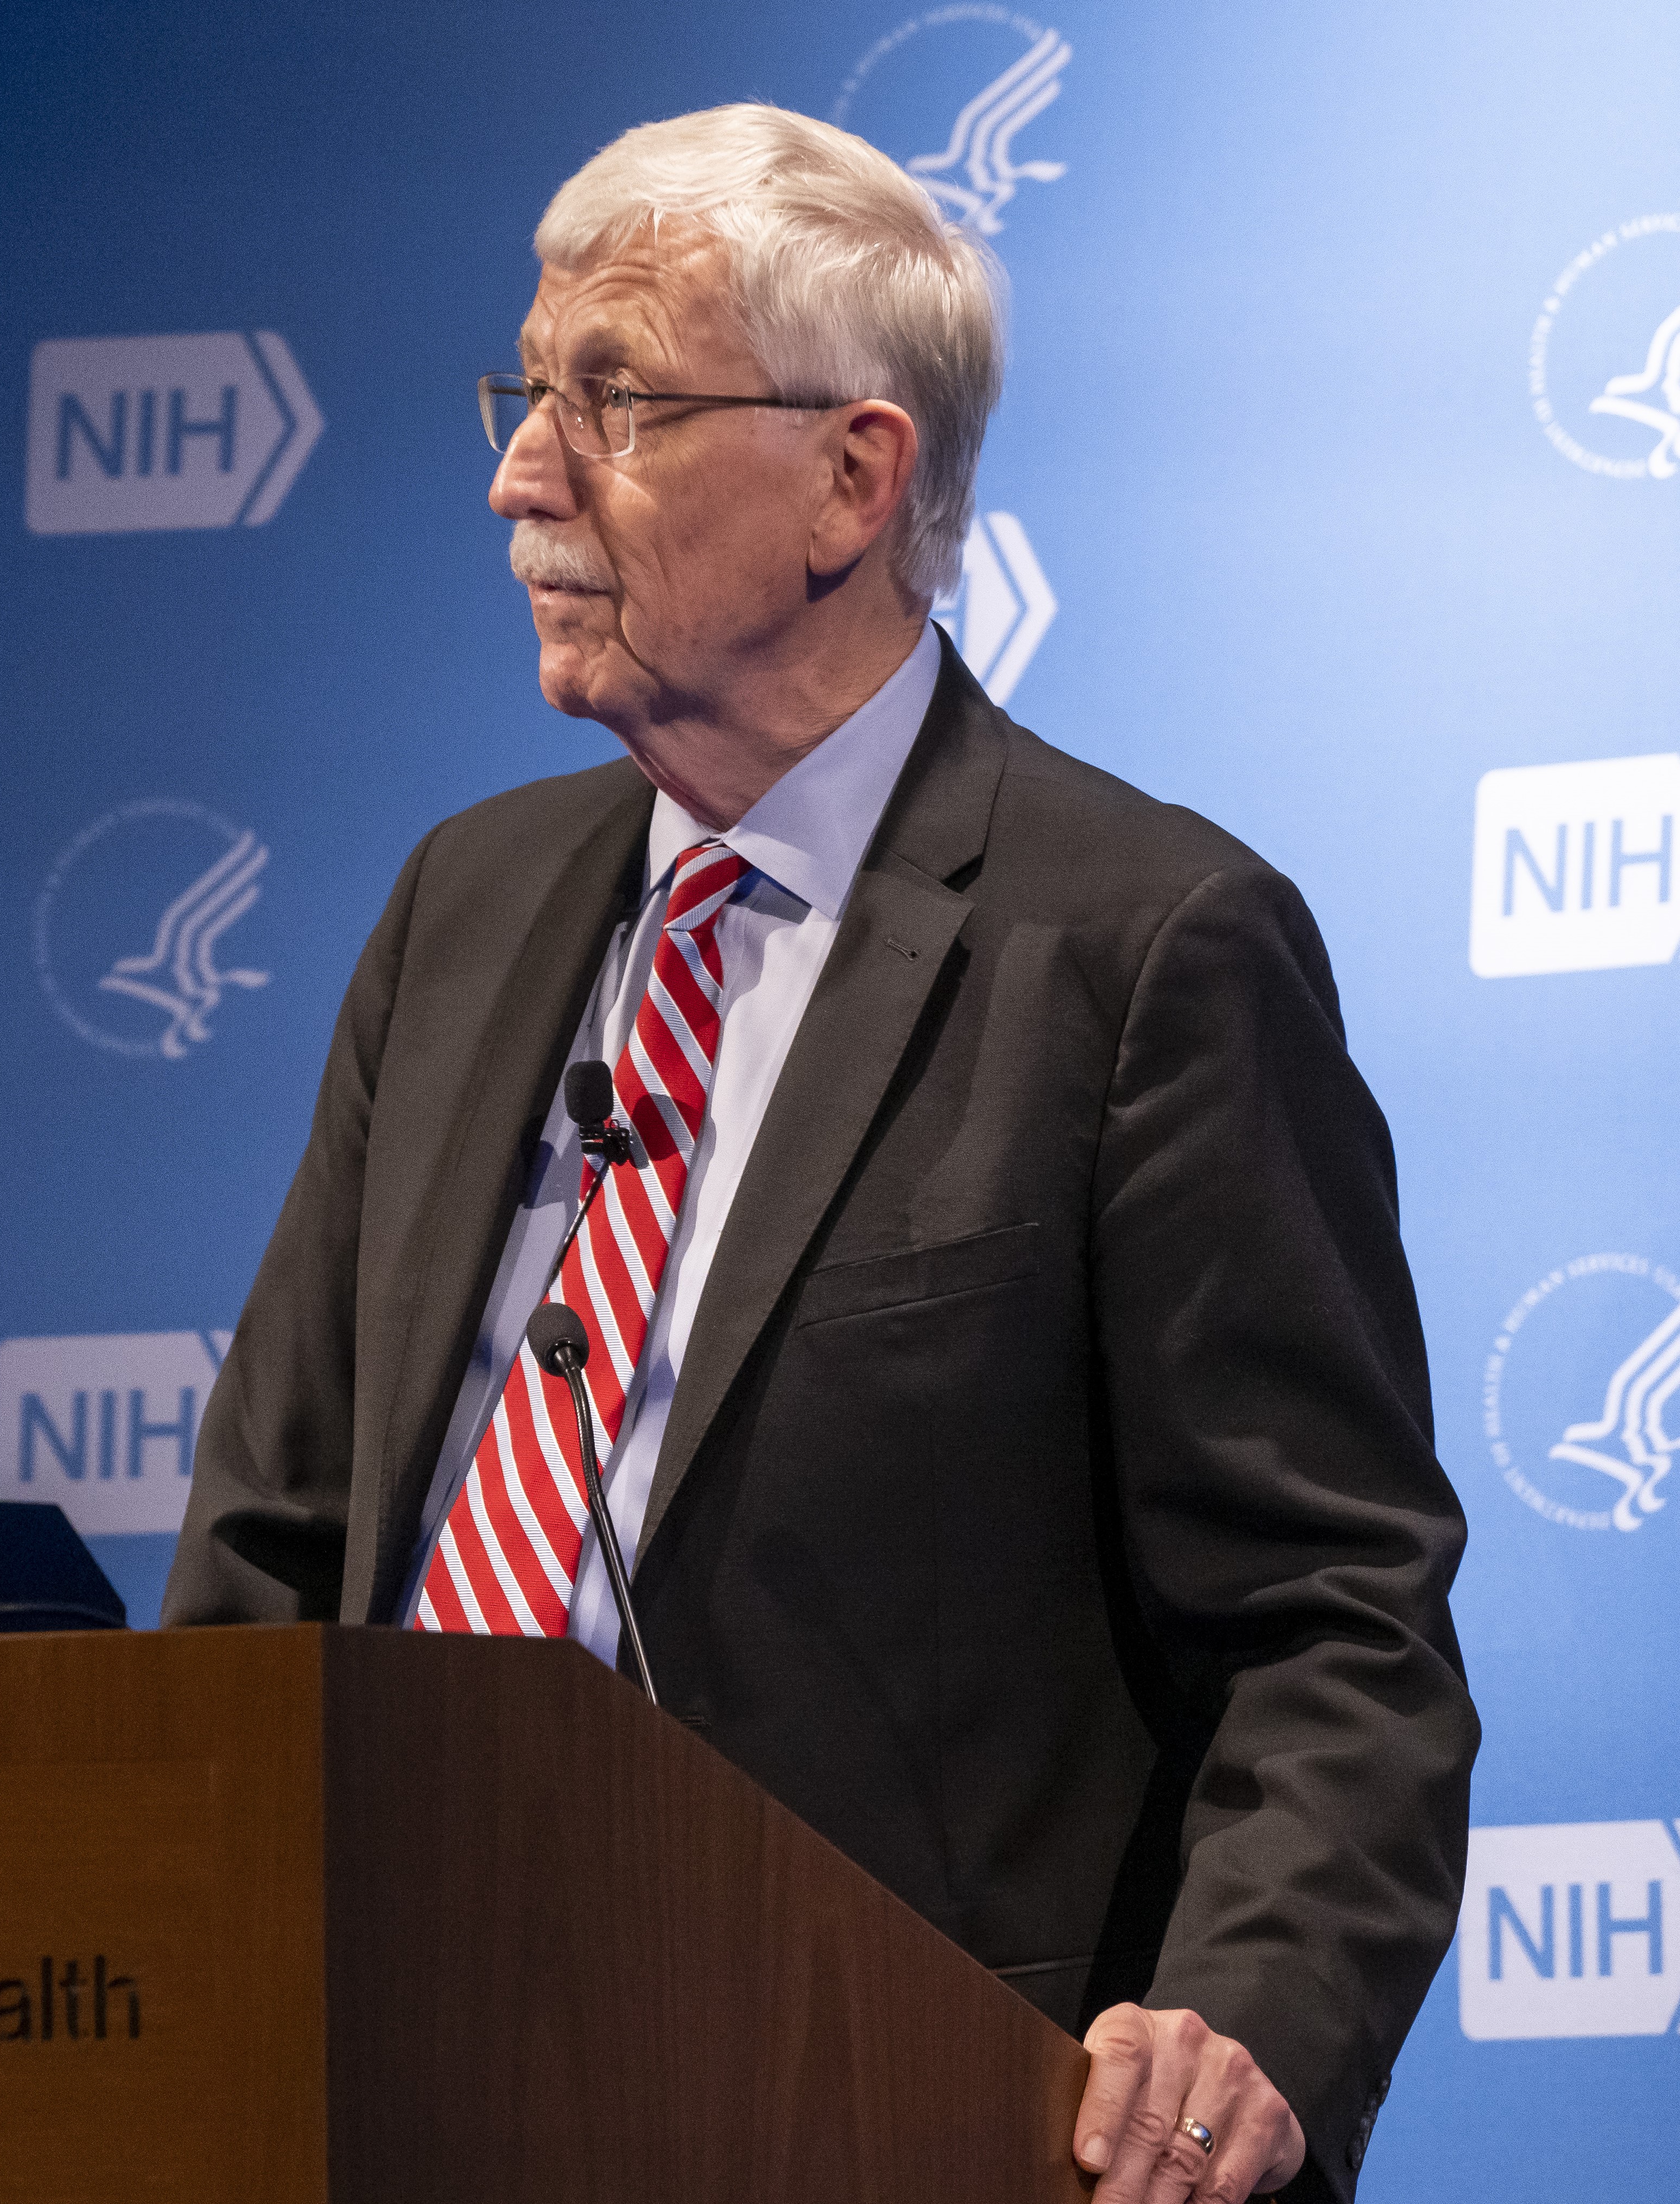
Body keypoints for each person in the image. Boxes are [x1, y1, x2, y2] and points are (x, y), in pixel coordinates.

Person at [160, 104, 1475, 2204]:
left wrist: (1238, 2025)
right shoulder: (459, 911)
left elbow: (1331, 1623)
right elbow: (271, 1552)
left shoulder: (1139, 948)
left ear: (851, 479)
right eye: (524, 393)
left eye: (616, 403)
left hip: (908, 2111)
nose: (517, 477)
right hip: (393, 2086)